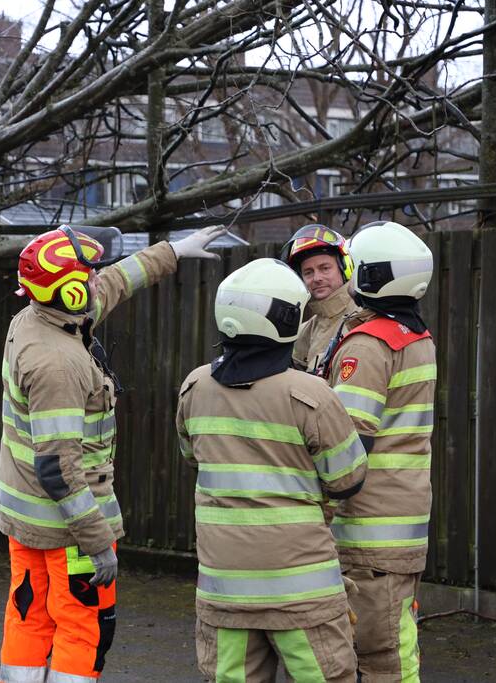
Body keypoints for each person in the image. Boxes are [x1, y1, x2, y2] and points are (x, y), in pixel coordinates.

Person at [0, 224, 227, 683]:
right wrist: (98, 541)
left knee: (30, 614)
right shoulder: (58, 364)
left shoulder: (42, 317)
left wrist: (174, 252)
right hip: (70, 529)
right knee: (85, 629)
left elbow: (117, 281)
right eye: (87, 276)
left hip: (28, 522)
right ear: (69, 290)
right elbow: (58, 469)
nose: (96, 281)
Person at [176, 258, 367, 683]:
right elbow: (347, 479)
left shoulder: (194, 388)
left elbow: (192, 457)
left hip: (224, 589)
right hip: (302, 593)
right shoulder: (310, 394)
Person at [325, 221, 436, 683]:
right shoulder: (414, 337)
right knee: (398, 639)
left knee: (377, 654)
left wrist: (317, 510)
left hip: (368, 531)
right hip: (399, 525)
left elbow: (347, 445)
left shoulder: (371, 345)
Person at [280, 225, 357, 375]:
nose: (317, 278)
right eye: (308, 272)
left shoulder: (361, 317)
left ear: (344, 267)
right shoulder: (304, 330)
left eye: (325, 268)